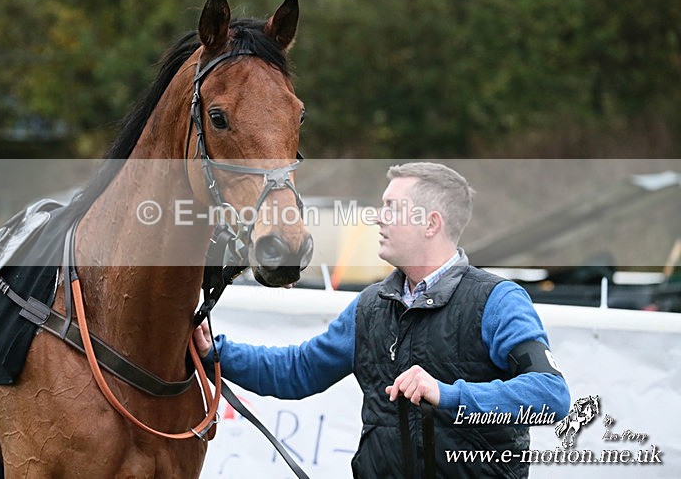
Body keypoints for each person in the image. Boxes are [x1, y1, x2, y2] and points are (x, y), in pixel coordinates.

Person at [194, 162, 570, 478]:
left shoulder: (497, 300)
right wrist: (217, 352)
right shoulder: (371, 305)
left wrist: (447, 393)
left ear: (430, 224)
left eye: (391, 207)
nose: (377, 217)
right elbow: (297, 371)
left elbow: (550, 396)